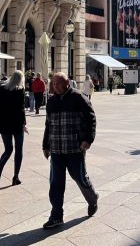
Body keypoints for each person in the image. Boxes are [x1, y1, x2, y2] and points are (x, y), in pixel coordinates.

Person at [42, 73, 98, 229]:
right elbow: (48, 124)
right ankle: (56, 215)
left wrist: (88, 139)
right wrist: (46, 145)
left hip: (75, 148)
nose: (54, 87)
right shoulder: (52, 101)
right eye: (53, 84)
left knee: (80, 178)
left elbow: (91, 118)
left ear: (66, 83)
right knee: (55, 183)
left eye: (57, 84)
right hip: (57, 150)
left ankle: (92, 199)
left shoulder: (78, 97)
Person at [0, 71, 27, 186]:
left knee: (8, 150)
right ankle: (15, 177)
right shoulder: (20, 90)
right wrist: (24, 124)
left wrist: (1, 120)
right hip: (17, 123)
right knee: (19, 150)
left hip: (4, 123)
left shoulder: (2, 88)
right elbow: (21, 108)